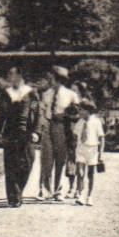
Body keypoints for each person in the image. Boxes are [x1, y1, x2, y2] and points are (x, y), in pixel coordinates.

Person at [0, 67, 39, 207]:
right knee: (11, 165)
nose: (8, 77)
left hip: (26, 133)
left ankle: (18, 190)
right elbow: (1, 114)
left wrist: (36, 131)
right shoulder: (5, 94)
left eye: (11, 74)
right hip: (10, 133)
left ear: (19, 75)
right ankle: (14, 196)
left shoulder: (31, 94)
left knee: (27, 163)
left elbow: (37, 113)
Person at [38, 66, 82, 201]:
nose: (49, 80)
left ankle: (58, 190)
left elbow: (77, 113)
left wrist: (68, 116)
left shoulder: (71, 95)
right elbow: (42, 112)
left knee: (60, 159)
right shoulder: (46, 94)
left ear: (58, 79)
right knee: (47, 158)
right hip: (48, 126)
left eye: (51, 77)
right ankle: (45, 190)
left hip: (62, 127)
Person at [71, 101, 106, 205]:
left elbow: (101, 137)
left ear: (88, 111)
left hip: (92, 149)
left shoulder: (96, 122)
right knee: (80, 173)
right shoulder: (80, 122)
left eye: (81, 110)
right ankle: (81, 195)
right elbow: (75, 136)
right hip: (81, 149)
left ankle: (89, 196)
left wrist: (101, 153)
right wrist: (72, 147)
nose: (79, 112)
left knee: (91, 174)